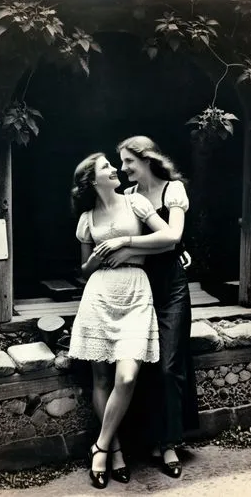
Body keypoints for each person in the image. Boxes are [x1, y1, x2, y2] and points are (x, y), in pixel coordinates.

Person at [68, 152, 181, 489]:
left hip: (135, 293)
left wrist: (126, 243)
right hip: (100, 295)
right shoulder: (87, 218)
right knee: (101, 379)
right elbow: (84, 269)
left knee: (127, 376)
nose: (115, 169)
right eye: (106, 167)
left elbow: (168, 238)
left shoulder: (136, 204)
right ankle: (113, 451)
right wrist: (98, 259)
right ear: (92, 180)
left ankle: (99, 446)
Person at [96, 136, 199, 478]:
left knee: (169, 364)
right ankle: (136, 442)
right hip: (135, 286)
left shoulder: (174, 190)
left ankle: (168, 443)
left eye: (128, 162)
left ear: (147, 160)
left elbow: (172, 236)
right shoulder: (126, 197)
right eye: (120, 163)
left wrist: (129, 243)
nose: (123, 168)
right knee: (138, 367)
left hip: (169, 286)